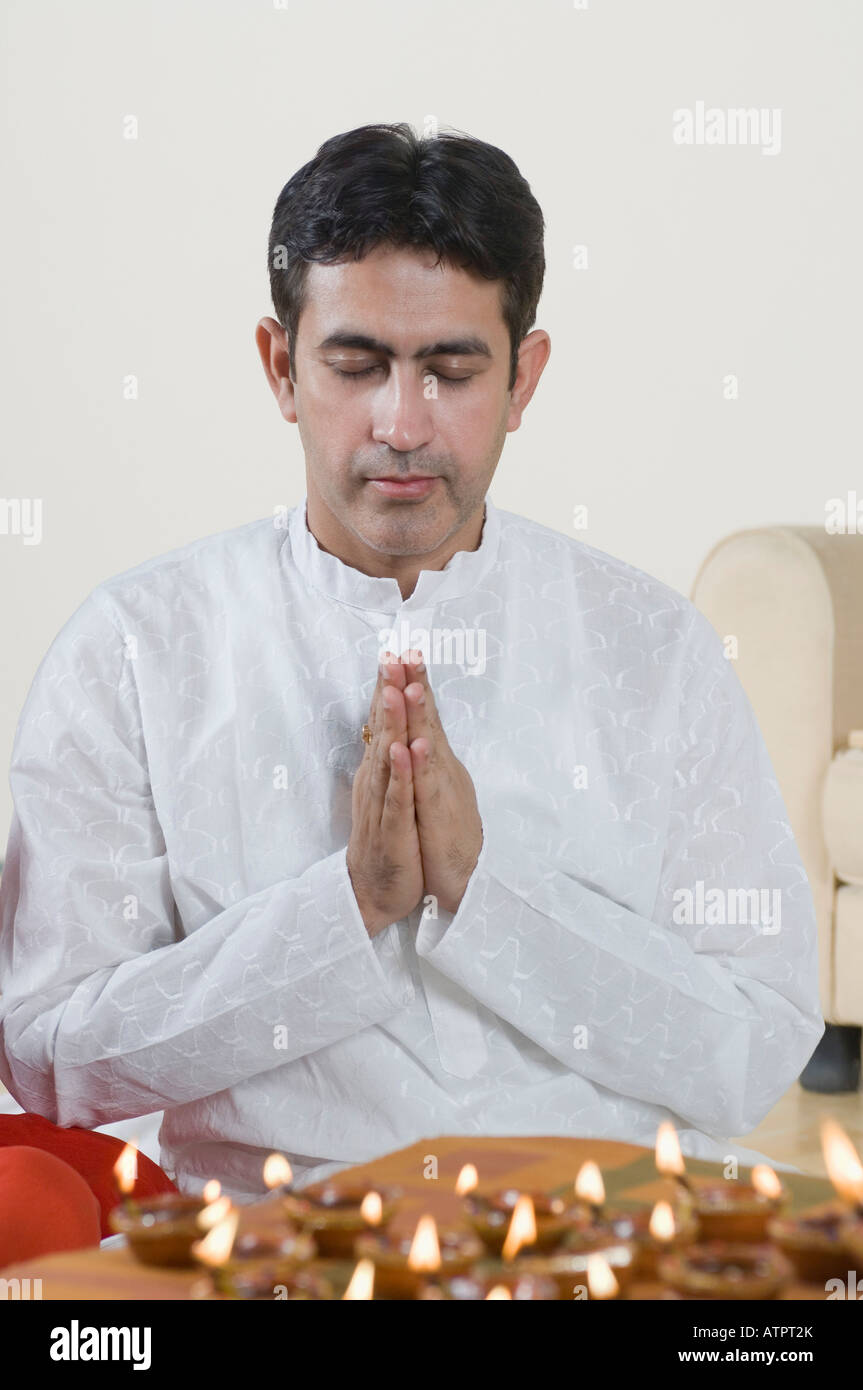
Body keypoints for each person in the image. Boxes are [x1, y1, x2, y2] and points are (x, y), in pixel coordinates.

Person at [0, 123, 824, 1202]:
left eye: (450, 369)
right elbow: (54, 1058)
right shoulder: (131, 651)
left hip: (610, 1228)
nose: (401, 423)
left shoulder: (652, 649)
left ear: (522, 379)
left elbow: (754, 1044)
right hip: (275, 1243)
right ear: (279, 366)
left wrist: (488, 894)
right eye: (356, 364)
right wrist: (344, 908)